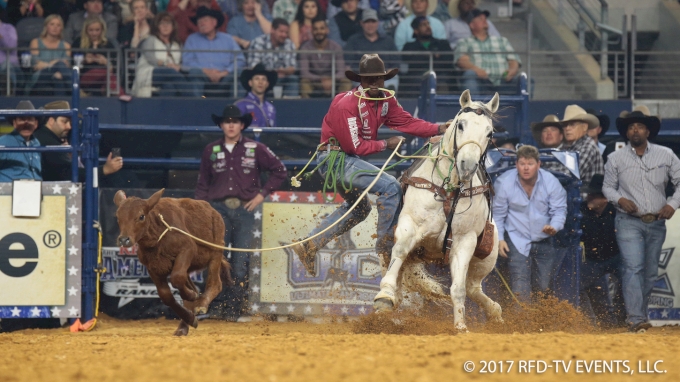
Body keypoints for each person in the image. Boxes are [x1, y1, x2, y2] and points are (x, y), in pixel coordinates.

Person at [291, 54, 449, 276]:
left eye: (378, 78)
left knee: (360, 209)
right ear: (361, 81)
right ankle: (385, 249)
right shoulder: (345, 103)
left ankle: (309, 244)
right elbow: (355, 146)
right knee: (391, 187)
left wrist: (439, 129)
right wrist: (387, 143)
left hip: (346, 160)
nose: (374, 83)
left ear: (384, 79)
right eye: (369, 79)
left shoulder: (386, 101)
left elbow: (407, 122)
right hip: (335, 159)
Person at [195, 105, 287, 320]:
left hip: (245, 210)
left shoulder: (255, 148)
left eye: (235, 121)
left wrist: (261, 195)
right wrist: (200, 209)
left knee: (239, 261)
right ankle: (214, 306)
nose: (231, 125)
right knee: (214, 258)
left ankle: (234, 308)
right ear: (221, 125)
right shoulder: (210, 150)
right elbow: (202, 183)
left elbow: (279, 170)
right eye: (227, 121)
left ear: (242, 125)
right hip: (216, 211)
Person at [603, 106, 680, 333]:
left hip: (657, 221)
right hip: (628, 220)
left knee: (649, 271)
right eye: (631, 127)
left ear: (648, 131)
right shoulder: (615, 158)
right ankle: (635, 318)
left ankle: (640, 315)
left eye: (640, 127)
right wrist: (619, 200)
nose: (635, 130)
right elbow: (607, 187)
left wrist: (672, 204)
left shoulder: (666, 155)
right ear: (627, 133)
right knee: (633, 266)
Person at [492, 145, 567, 304]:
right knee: (520, 283)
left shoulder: (551, 182)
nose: (526, 168)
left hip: (545, 239)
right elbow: (497, 214)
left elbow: (559, 211)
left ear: (538, 164)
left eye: (530, 164)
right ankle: (522, 325)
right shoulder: (504, 182)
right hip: (516, 238)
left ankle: (541, 325)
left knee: (543, 286)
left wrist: (554, 226)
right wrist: (499, 239)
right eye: (522, 163)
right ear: (516, 164)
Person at [33, 100, 124, 182]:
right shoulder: (49, 143)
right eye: (64, 122)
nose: (69, 126)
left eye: (70, 123)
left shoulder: (44, 137)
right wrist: (104, 169)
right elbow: (70, 174)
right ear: (51, 121)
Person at [579, 174, 626, 328]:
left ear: (605, 198)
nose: (589, 198)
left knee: (628, 283)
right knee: (578, 284)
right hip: (593, 260)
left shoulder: (618, 211)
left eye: (594, 196)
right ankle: (599, 322)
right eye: (590, 195)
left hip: (616, 257)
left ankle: (623, 320)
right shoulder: (582, 211)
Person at [183, 6, 245, 97]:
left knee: (239, 73)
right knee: (195, 73)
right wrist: (206, 71)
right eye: (199, 21)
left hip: (224, 78)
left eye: (205, 20)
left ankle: (236, 108)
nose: (201, 23)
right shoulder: (192, 39)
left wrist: (224, 73)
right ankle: (195, 107)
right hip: (203, 77)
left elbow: (240, 59)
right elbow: (187, 62)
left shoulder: (228, 39)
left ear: (214, 22)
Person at [455, 9, 520, 95]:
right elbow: (462, 61)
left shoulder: (502, 41)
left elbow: (513, 59)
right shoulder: (464, 42)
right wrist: (477, 70)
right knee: (469, 74)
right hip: (480, 81)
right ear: (472, 25)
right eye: (480, 19)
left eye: (485, 18)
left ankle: (524, 108)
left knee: (524, 80)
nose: (485, 20)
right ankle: (473, 107)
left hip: (503, 81)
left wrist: (512, 70)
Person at [133, 11, 192, 97]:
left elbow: (183, 62)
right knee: (170, 72)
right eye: (161, 24)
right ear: (157, 27)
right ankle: (195, 100)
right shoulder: (149, 39)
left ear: (173, 26)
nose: (165, 26)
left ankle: (163, 109)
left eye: (168, 23)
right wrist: (167, 65)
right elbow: (151, 59)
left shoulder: (177, 44)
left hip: (170, 75)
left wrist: (179, 67)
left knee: (169, 86)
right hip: (150, 73)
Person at [344, 9, 399, 90]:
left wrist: (388, 73)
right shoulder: (353, 41)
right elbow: (348, 63)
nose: (370, 25)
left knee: (393, 79)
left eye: (373, 21)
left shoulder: (388, 41)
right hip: (361, 78)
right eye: (367, 22)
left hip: (384, 77)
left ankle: (388, 99)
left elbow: (396, 62)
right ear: (361, 23)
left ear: (378, 23)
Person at [299, 17, 350, 97]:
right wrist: (321, 79)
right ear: (312, 31)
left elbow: (341, 71)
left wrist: (331, 80)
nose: (319, 32)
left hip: (333, 81)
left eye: (322, 28)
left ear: (327, 30)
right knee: (304, 83)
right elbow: (304, 73)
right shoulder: (306, 48)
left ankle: (342, 108)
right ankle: (308, 108)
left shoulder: (335, 47)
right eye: (316, 29)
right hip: (315, 81)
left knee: (346, 81)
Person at [401, 15, 452, 95]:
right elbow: (413, 63)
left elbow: (447, 61)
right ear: (416, 30)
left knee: (443, 82)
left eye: (428, 24)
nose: (427, 27)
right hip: (417, 79)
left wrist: (422, 58)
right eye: (423, 25)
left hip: (439, 76)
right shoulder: (409, 46)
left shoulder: (442, 44)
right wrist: (434, 57)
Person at [248, 18, 299, 97]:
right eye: (281, 32)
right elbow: (254, 67)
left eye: (286, 32)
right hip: (265, 77)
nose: (284, 35)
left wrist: (284, 71)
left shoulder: (289, 44)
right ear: (272, 30)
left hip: (283, 77)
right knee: (261, 80)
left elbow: (292, 68)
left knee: (293, 79)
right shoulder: (258, 42)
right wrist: (273, 73)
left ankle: (291, 105)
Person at [25, 15, 72, 96]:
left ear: (61, 28)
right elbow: (36, 65)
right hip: (40, 76)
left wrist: (49, 66)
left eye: (58, 25)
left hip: (59, 75)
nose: (55, 27)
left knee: (58, 78)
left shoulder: (66, 46)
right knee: (60, 64)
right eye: (52, 24)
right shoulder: (36, 42)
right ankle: (75, 90)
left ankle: (61, 107)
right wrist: (56, 63)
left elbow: (67, 65)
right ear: (46, 26)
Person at [558, 104, 604, 186]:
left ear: (584, 127)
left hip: (585, 198)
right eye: (565, 125)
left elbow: (567, 175)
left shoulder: (588, 147)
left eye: (572, 124)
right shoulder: (566, 147)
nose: (567, 128)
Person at [74, 15, 119, 96]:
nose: (94, 33)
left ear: (102, 30)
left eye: (97, 30)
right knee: (107, 75)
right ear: (86, 30)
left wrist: (106, 62)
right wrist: (84, 60)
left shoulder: (109, 44)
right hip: (85, 77)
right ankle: (120, 95)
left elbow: (114, 69)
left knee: (108, 75)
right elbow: (74, 65)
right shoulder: (78, 43)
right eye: (91, 30)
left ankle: (112, 92)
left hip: (104, 80)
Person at [0, 100, 41, 182]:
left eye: (30, 119)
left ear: (36, 124)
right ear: (14, 123)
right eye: (22, 119)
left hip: (35, 190)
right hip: (10, 192)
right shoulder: (3, 142)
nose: (26, 123)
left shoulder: (36, 143)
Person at [0, 14, 21, 94]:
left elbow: (11, 46)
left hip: (12, 67)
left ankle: (9, 96)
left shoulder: (9, 28)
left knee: (6, 65)